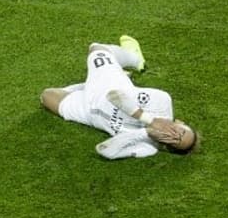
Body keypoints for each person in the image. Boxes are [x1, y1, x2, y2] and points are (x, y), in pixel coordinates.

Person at [40, 35, 199, 159]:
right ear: (179, 123)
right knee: (96, 48)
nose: (174, 134)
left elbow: (105, 150)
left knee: (46, 96)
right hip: (108, 84)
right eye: (181, 132)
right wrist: (151, 121)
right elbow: (115, 96)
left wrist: (146, 133)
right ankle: (134, 57)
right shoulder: (162, 102)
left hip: (89, 114)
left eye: (176, 140)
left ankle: (85, 85)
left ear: (167, 146)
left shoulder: (147, 148)